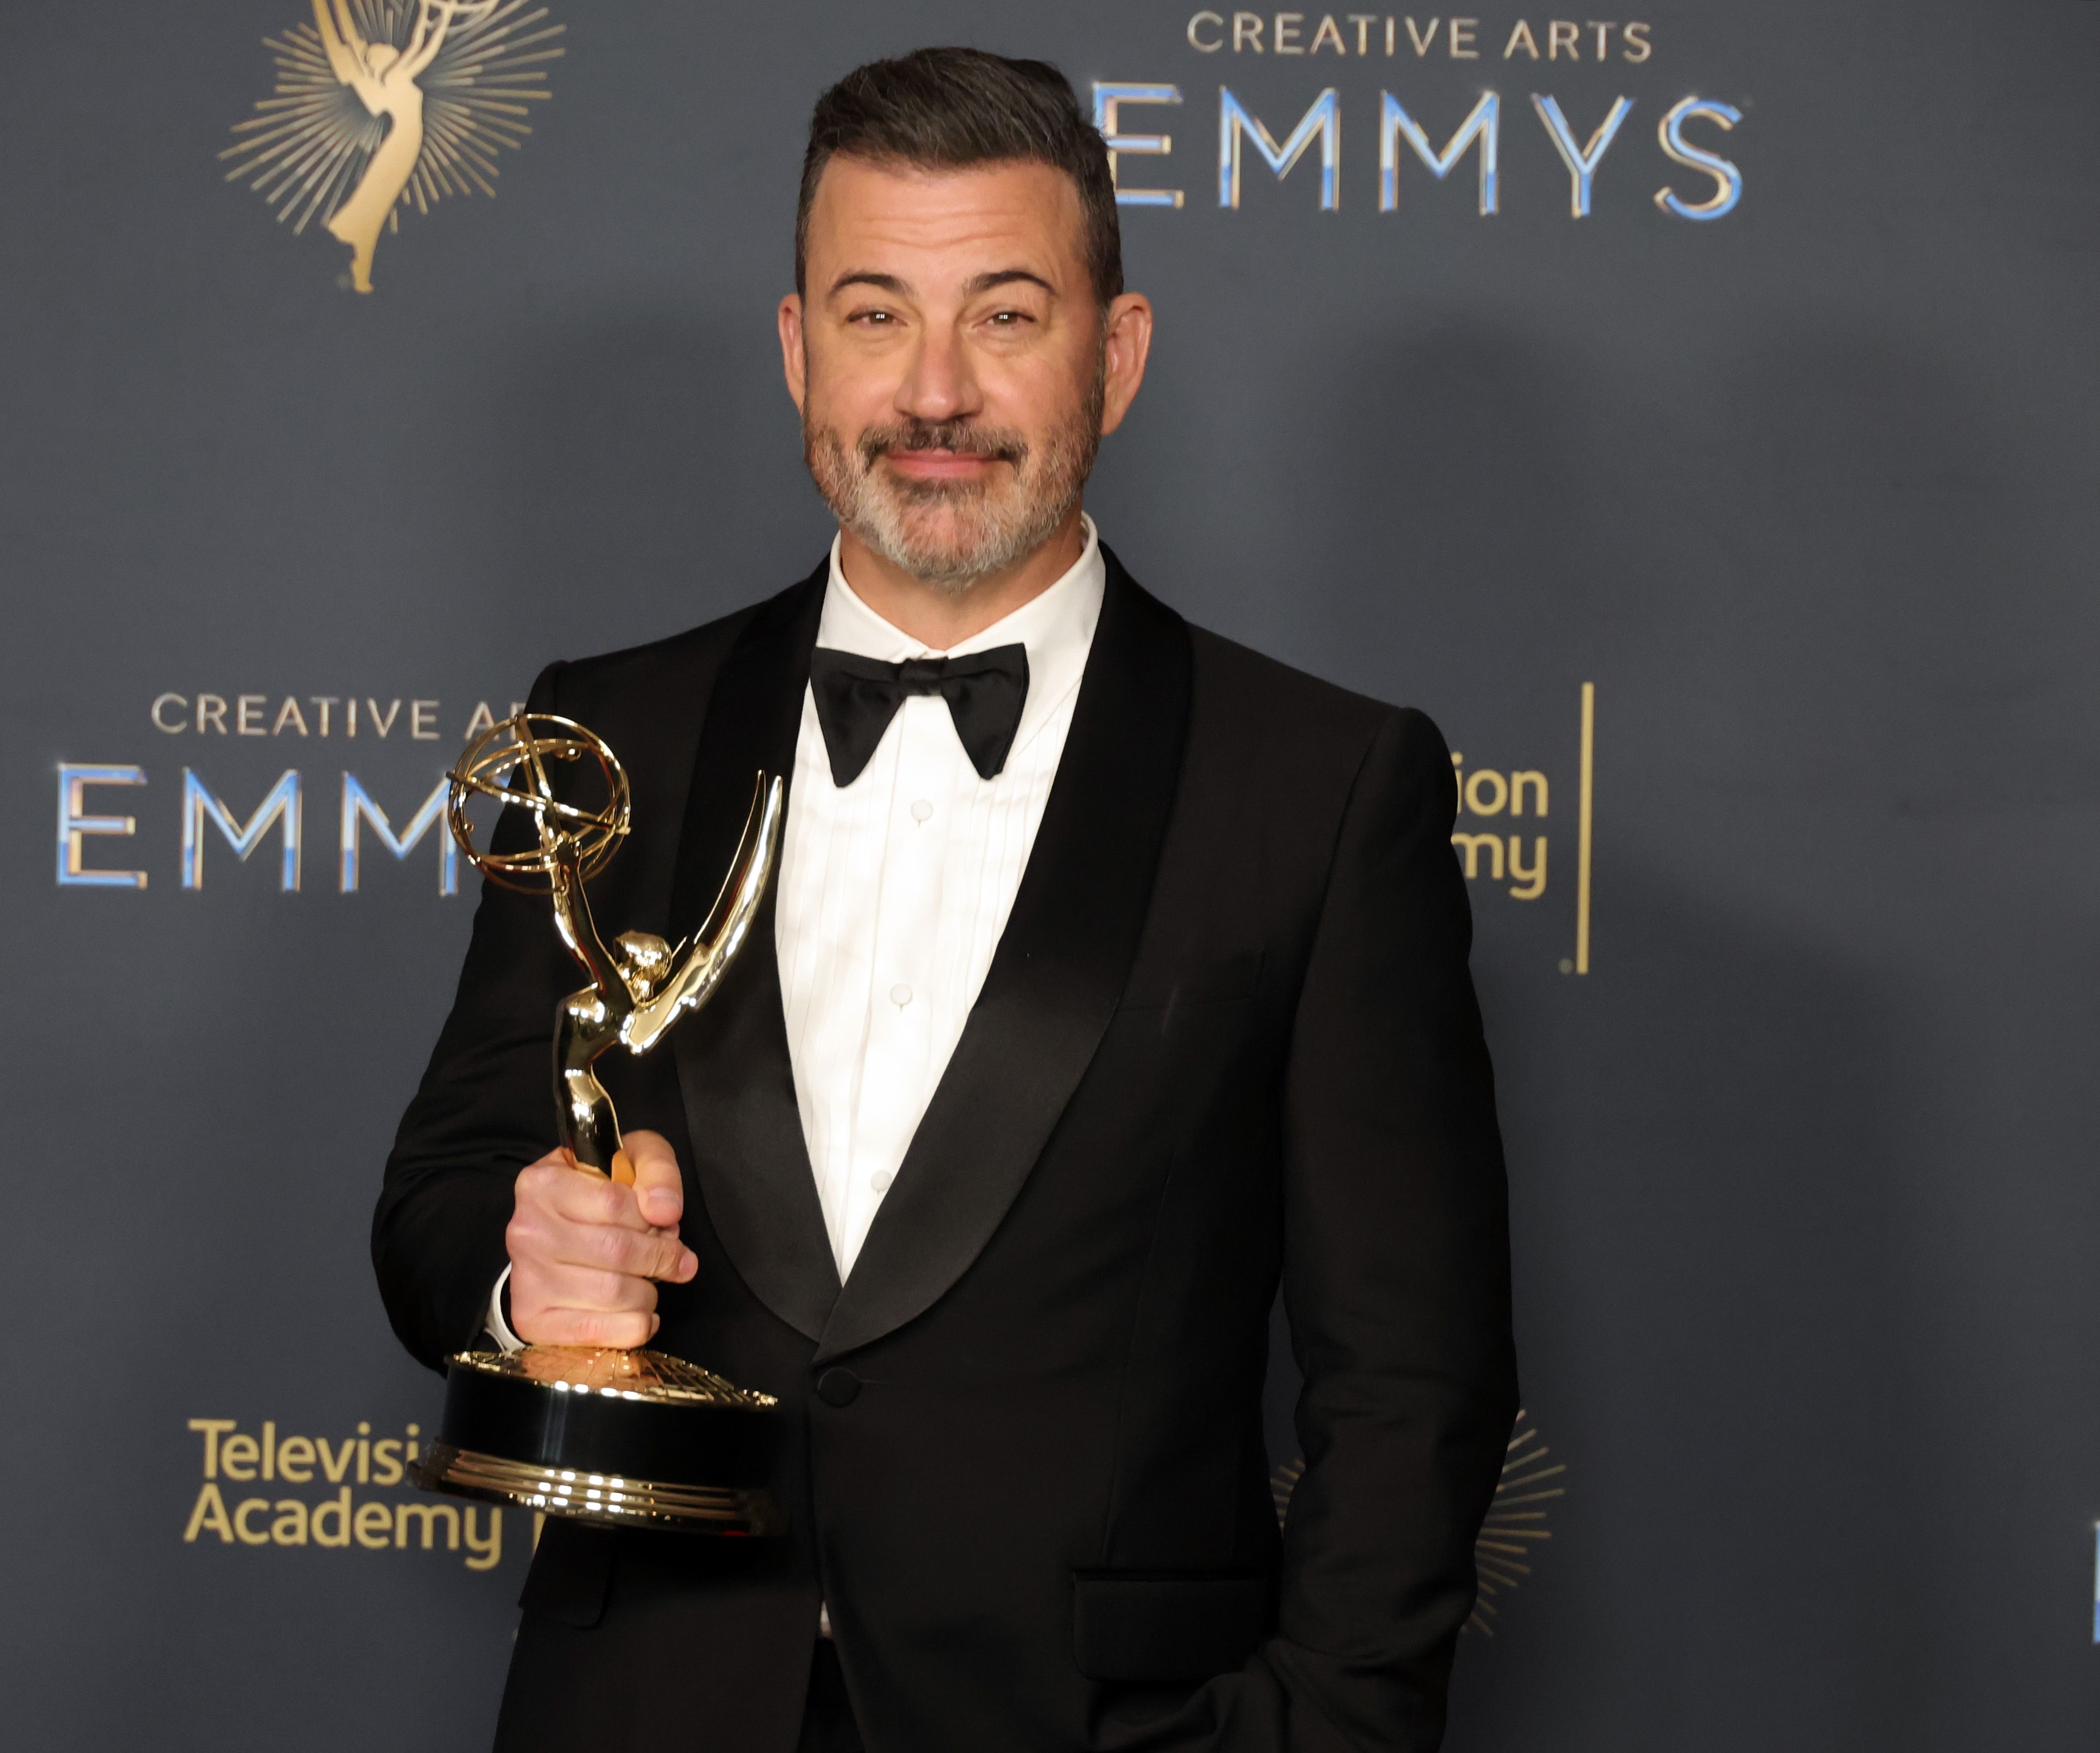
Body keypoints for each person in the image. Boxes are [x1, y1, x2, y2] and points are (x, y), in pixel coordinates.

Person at [375, 46, 1517, 1753]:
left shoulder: (1325, 786)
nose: (932, 395)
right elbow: (442, 1201)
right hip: (645, 1706)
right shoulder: (613, 732)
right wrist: (528, 1274)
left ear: (1113, 358)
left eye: (1003, 314)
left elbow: (1412, 1376)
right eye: (871, 316)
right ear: (794, 352)